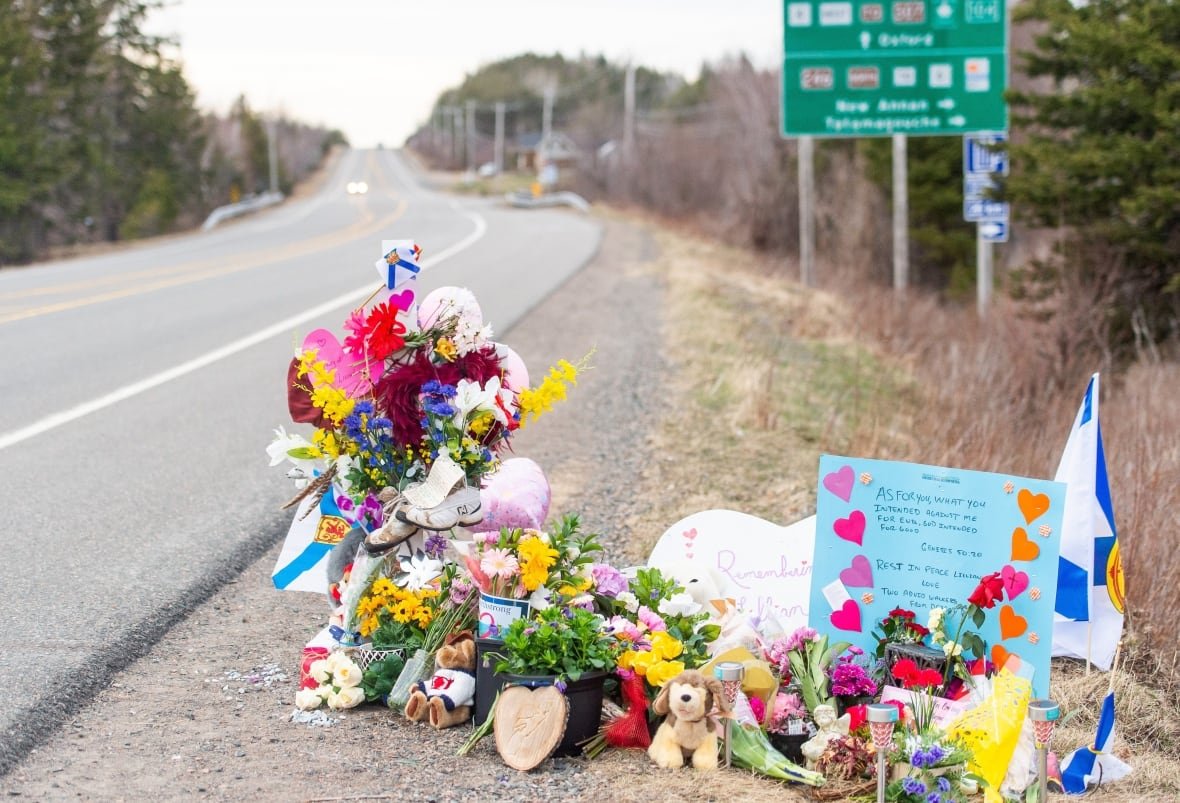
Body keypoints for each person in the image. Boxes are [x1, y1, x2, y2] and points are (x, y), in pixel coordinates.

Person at [800, 703, 851, 768]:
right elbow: (815, 739)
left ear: (831, 718)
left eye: (823, 718)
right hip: (817, 755)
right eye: (818, 719)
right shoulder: (821, 731)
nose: (820, 721)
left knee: (819, 763)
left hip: (828, 759)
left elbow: (834, 748)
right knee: (810, 763)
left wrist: (819, 750)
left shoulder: (835, 733)